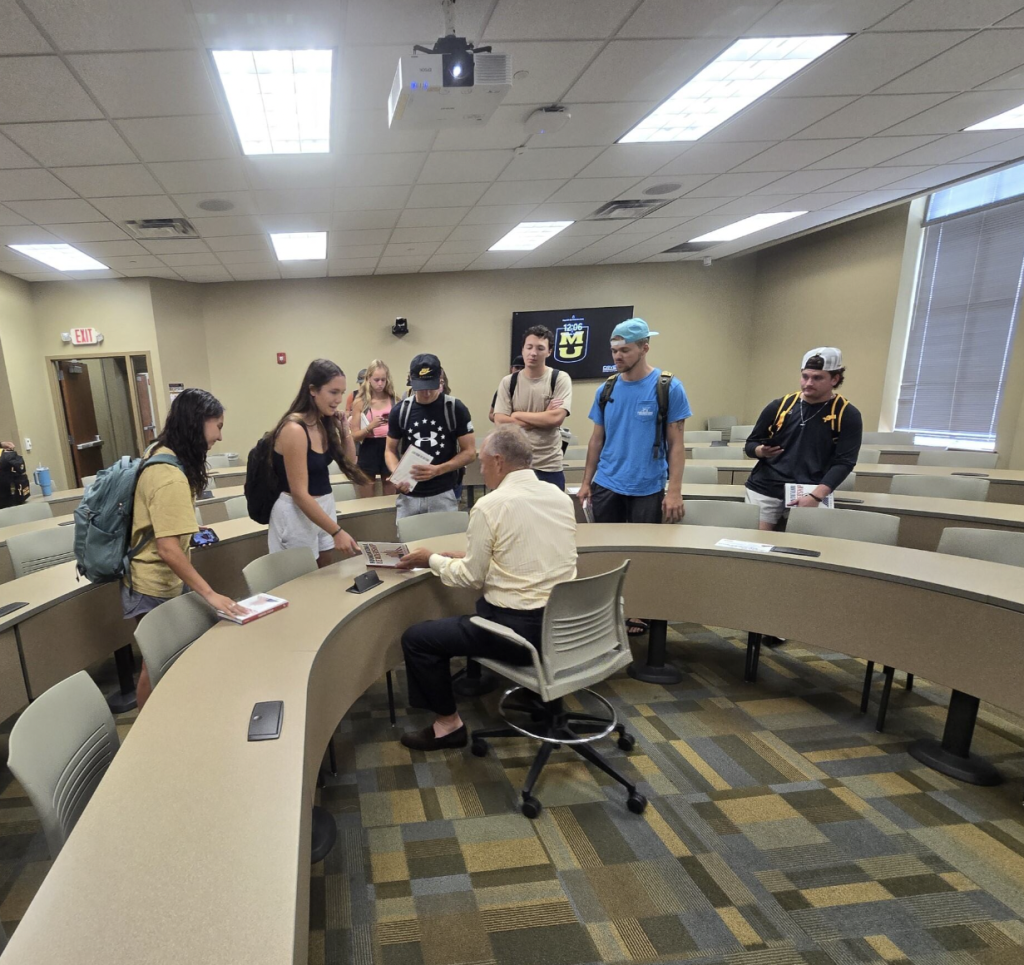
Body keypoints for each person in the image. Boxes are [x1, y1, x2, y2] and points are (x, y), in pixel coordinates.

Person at [395, 425, 577, 750]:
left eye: (481, 462)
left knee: (418, 639)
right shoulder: (559, 497)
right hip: (565, 626)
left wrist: (432, 559)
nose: (480, 469)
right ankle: (547, 704)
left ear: (498, 461)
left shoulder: (490, 505)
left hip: (519, 634)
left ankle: (447, 726)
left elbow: (470, 579)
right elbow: (528, 552)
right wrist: (468, 555)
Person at [122, 388, 248, 709]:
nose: (220, 436)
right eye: (217, 426)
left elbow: (160, 521)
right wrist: (210, 594)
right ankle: (145, 733)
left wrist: (187, 528)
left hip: (151, 578)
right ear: (197, 423)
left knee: (160, 659)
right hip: (152, 583)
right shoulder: (169, 476)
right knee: (155, 662)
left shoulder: (160, 450)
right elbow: (167, 549)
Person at [577, 318, 691, 635]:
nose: (618, 356)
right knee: (605, 552)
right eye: (614, 350)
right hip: (608, 483)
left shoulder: (667, 387)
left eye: (624, 350)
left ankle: (638, 609)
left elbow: (677, 444)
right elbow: (596, 439)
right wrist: (586, 481)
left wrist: (675, 491)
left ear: (644, 347)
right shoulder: (607, 389)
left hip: (648, 486)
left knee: (642, 554)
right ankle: (602, 611)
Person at [744, 347, 862, 531]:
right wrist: (760, 451)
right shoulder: (779, 406)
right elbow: (751, 444)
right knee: (757, 546)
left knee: (801, 548)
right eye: (805, 376)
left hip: (811, 490)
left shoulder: (846, 414)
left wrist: (816, 496)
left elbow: (844, 462)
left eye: (817, 378)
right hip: (766, 487)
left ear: (835, 379)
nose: (808, 383)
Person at [269, 359, 364, 566]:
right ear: (313, 390)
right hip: (296, 513)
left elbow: (350, 462)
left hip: (322, 507)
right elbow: (299, 493)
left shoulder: (323, 423)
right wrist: (336, 531)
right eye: (333, 392)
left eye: (342, 392)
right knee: (303, 580)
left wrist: (344, 429)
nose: (339, 399)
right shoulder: (294, 429)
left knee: (324, 575)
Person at [385, 353, 475, 520]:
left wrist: (438, 470)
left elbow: (469, 452)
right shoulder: (400, 411)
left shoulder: (455, 408)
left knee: (444, 544)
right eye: (421, 386)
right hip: (409, 495)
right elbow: (389, 450)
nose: (426, 393)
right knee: (410, 544)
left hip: (443, 493)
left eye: (431, 386)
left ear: (440, 379)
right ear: (411, 380)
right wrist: (396, 474)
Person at [494, 326, 572, 489]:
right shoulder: (509, 382)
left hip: (549, 465)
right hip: (516, 465)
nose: (533, 353)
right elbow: (500, 422)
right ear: (522, 349)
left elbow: (556, 418)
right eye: (529, 347)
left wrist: (516, 415)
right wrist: (544, 416)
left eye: (540, 348)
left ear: (549, 352)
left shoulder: (559, 379)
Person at [350, 359, 397, 498]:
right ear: (369, 379)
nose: (380, 384)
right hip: (369, 447)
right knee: (366, 496)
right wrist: (370, 427)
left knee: (390, 497)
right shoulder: (360, 402)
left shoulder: (394, 400)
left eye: (383, 380)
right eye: (376, 380)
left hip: (389, 446)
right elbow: (354, 436)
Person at [489, 356, 524, 423]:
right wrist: (502, 419)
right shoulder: (505, 387)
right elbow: (491, 414)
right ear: (511, 369)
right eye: (517, 368)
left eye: (522, 368)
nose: (519, 371)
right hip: (507, 429)